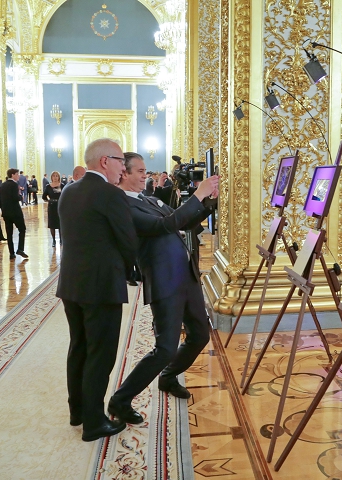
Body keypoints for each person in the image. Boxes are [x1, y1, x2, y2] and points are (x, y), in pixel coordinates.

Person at [107, 152, 218, 424]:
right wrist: (197, 195)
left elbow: (184, 222)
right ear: (124, 173)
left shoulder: (148, 198)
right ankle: (120, 400)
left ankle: (168, 377)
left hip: (187, 276)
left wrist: (208, 201)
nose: (146, 174)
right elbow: (164, 225)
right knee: (165, 347)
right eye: (140, 170)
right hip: (165, 280)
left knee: (200, 335)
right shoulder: (123, 206)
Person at [56, 138, 138, 442]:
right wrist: (129, 270)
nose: (123, 167)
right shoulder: (109, 194)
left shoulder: (69, 190)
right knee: (100, 354)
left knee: (78, 346)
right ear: (105, 161)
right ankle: (93, 422)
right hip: (101, 286)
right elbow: (128, 241)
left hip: (71, 283)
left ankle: (77, 411)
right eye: (120, 160)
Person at [0, 169, 28, 259]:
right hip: (15, 212)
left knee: (9, 233)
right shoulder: (14, 185)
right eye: (17, 174)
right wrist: (20, 196)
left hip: (6, 212)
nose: (18, 176)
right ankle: (20, 249)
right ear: (12, 175)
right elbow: (15, 198)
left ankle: (11, 253)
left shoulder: (3, 184)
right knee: (22, 229)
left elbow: (0, 199)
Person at [42, 171, 63, 246]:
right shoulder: (48, 186)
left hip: (60, 206)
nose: (55, 177)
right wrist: (49, 201)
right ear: (51, 177)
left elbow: (65, 194)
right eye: (53, 176)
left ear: (59, 177)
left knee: (60, 223)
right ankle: (54, 240)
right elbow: (43, 196)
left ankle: (61, 240)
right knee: (52, 224)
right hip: (52, 206)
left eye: (56, 176)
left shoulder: (62, 185)